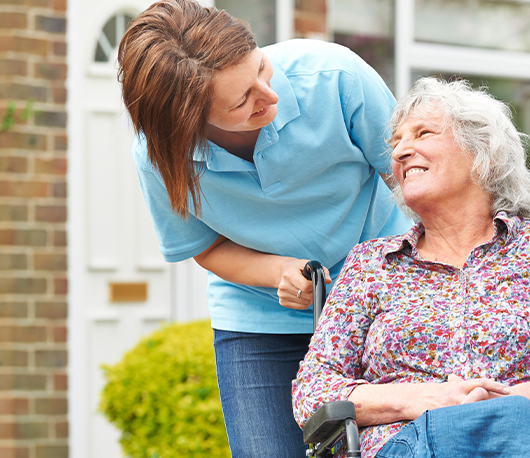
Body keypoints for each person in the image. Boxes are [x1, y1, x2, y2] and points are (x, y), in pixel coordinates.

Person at [116, 0, 413, 456]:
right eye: (242, 100)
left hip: (383, 303)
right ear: (187, 122)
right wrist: (277, 273)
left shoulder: (335, 77)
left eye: (260, 68)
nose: (269, 95)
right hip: (260, 324)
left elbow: (415, 182)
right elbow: (205, 246)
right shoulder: (159, 156)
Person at [292, 77, 530, 458]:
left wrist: (510, 401)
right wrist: (422, 399)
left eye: (423, 133)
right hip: (409, 443)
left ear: (481, 151)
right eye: (396, 143)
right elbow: (313, 388)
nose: (402, 151)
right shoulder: (371, 265)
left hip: (527, 440)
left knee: (513, 421)